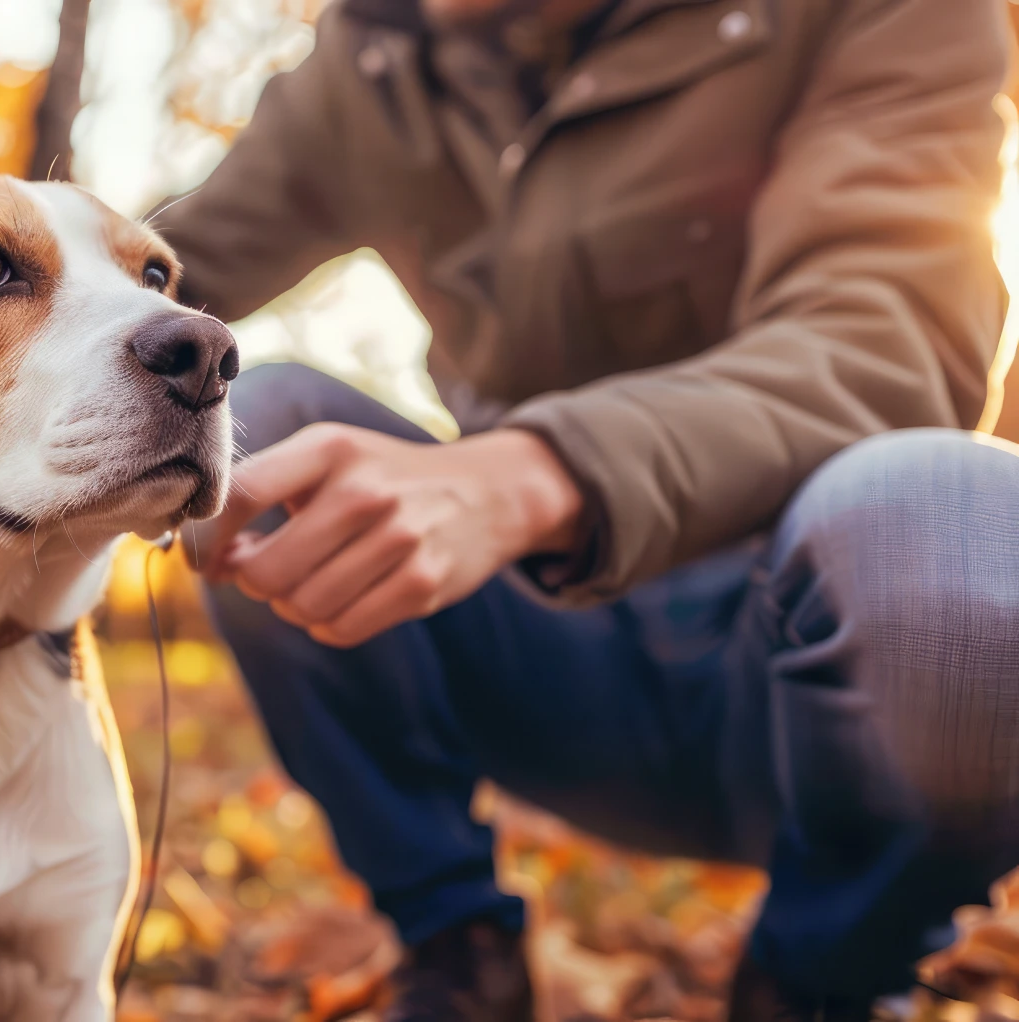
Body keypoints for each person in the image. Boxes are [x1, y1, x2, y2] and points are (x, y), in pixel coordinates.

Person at [151, 0, 1019, 1018]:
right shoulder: (375, 56)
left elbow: (887, 343)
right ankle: (459, 955)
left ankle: (820, 984)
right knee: (263, 424)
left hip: (808, 678)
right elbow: (134, 280)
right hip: (550, 661)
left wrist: (533, 470)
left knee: (963, 517)